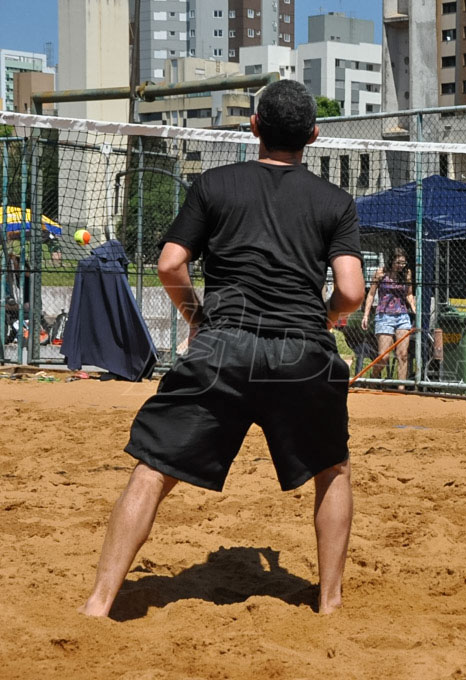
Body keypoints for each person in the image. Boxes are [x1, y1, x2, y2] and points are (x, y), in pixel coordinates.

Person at [79, 80, 366, 617]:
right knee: (332, 469)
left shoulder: (214, 184)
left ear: (254, 126)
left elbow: (169, 264)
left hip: (222, 348)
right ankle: (330, 602)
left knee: (151, 468)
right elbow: (351, 291)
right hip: (300, 353)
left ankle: (99, 602)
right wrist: (323, 321)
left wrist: (197, 319)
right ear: (314, 135)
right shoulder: (335, 201)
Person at [362, 247, 416, 385]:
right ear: (391, 261)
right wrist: (366, 315)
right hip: (384, 316)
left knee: (402, 355)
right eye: (398, 263)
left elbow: (409, 294)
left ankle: (401, 388)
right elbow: (371, 294)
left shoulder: (406, 274)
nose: (401, 266)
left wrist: (414, 308)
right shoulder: (381, 273)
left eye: (403, 263)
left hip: (402, 316)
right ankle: (374, 375)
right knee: (384, 357)